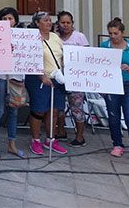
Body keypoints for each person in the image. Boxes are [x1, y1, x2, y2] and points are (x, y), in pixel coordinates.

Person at [100, 17, 129, 166]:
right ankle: (117, 144)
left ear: (122, 33)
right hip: (112, 87)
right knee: (113, 118)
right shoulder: (104, 46)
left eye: (115, 33)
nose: (113, 36)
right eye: (110, 34)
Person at [25, 11, 68, 156]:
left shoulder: (56, 37)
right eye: (45, 20)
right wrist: (41, 75)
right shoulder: (33, 38)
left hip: (57, 78)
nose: (49, 23)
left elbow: (62, 56)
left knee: (54, 110)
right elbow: (29, 58)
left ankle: (51, 139)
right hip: (39, 79)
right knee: (39, 110)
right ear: (37, 23)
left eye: (50, 20)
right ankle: (35, 140)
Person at [0, 7, 25, 160]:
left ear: (15, 20)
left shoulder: (23, 36)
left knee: (14, 111)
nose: (7, 22)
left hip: (17, 77)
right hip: (1, 75)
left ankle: (12, 144)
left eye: (10, 18)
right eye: (4, 19)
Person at [55, 11, 90, 147]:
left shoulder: (79, 37)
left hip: (75, 78)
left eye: (68, 22)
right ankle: (61, 131)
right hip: (58, 77)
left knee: (76, 108)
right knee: (59, 108)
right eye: (63, 22)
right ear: (58, 24)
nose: (65, 25)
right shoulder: (55, 37)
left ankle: (80, 136)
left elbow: (87, 56)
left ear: (72, 23)